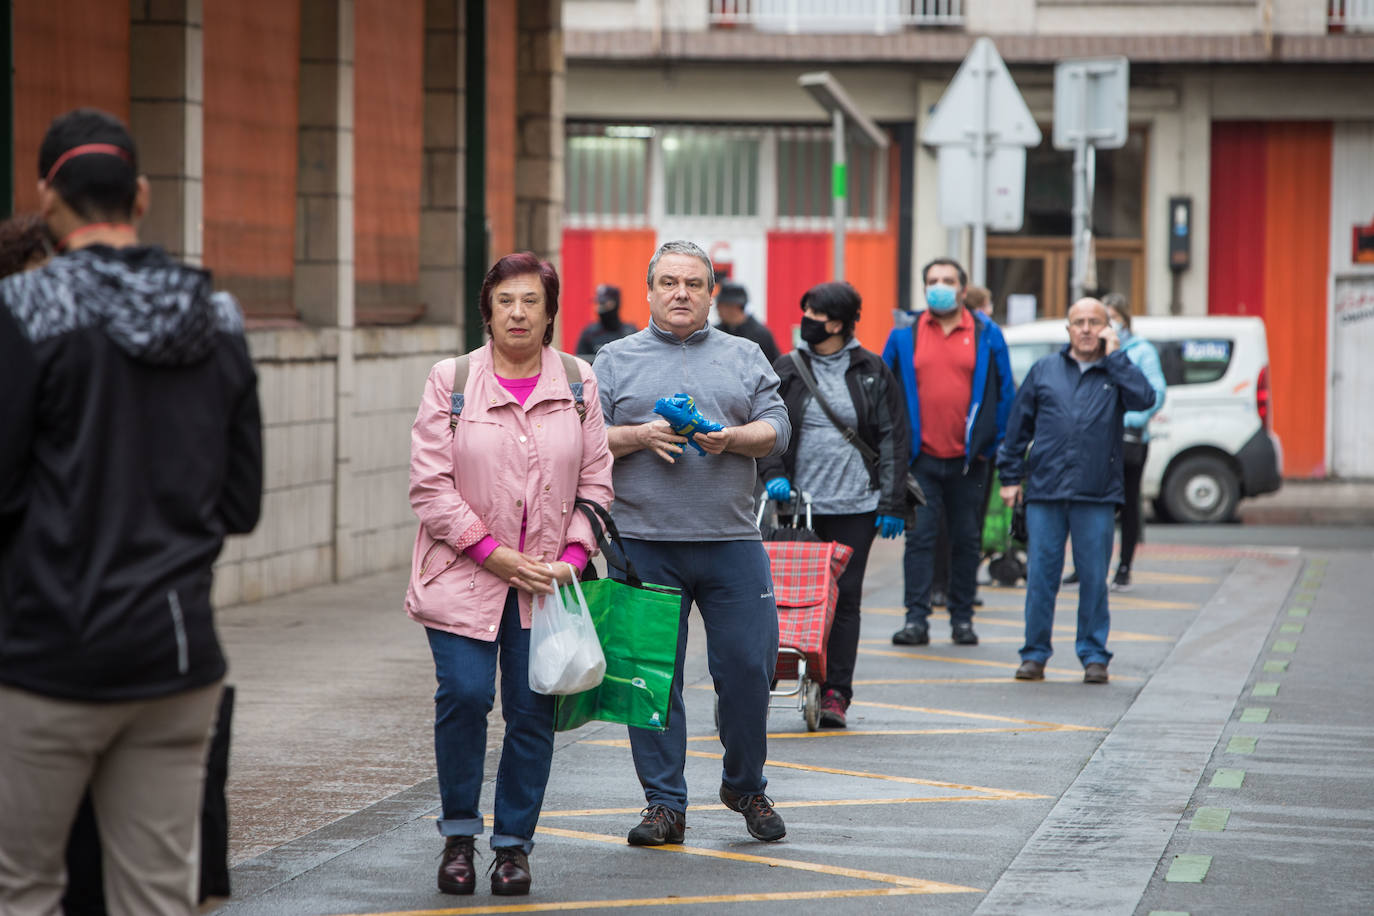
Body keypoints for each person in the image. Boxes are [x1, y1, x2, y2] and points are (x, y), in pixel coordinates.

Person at [0, 108, 263, 916]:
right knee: (156, 896)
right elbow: (241, 504)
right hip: (176, 658)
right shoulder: (216, 318)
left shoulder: (23, 310)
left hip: (47, 657)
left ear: (48, 195)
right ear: (142, 196)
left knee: (28, 891)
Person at [406, 252, 614, 896]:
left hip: (548, 586)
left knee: (531, 714)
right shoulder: (454, 379)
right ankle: (460, 838)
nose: (518, 312)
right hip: (462, 575)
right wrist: (492, 552)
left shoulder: (580, 382)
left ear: (551, 312)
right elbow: (430, 485)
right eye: (505, 301)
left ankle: (514, 847)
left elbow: (597, 481)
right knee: (465, 697)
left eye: (531, 300)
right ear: (487, 311)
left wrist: (571, 560)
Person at [594, 240, 791, 846]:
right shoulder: (613, 359)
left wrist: (731, 438)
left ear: (712, 293)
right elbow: (581, 439)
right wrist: (637, 435)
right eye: (669, 283)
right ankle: (664, 804)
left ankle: (745, 784)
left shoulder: (745, 354)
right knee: (649, 680)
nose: (681, 293)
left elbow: (778, 428)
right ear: (648, 290)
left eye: (694, 284)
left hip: (732, 541)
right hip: (643, 544)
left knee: (750, 671)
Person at [759, 282, 909, 728]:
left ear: (840, 323)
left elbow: (893, 437)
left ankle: (835, 693)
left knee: (845, 601)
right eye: (804, 310)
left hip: (856, 507)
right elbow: (766, 426)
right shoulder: (786, 367)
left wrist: (892, 501)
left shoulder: (871, 370)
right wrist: (774, 476)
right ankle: (773, 674)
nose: (806, 319)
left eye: (816, 313)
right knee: (782, 598)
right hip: (796, 507)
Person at [996, 297, 1157, 685]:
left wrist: (1117, 358)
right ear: (1067, 329)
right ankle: (1034, 655)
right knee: (1041, 578)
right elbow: (1018, 428)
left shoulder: (1116, 372)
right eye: (1078, 322)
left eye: (1094, 322)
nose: (1086, 328)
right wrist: (1009, 477)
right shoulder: (1044, 370)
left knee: (1093, 578)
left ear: (1108, 330)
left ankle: (1093, 655)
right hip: (1046, 492)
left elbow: (1146, 399)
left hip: (1097, 492)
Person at [884, 258, 1015, 648]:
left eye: (947, 280)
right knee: (920, 539)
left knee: (966, 540)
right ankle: (916, 620)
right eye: (932, 280)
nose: (939, 286)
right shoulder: (904, 334)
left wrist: (992, 446)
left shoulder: (987, 333)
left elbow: (1006, 391)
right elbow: (883, 392)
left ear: (963, 288)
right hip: (920, 458)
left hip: (970, 460)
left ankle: (962, 620)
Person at [1060, 294, 1166, 592]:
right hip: (1093, 443)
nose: (1090, 328)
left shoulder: (1139, 350)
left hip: (1128, 442)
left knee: (1127, 503)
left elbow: (1154, 394)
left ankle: (1124, 566)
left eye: (1103, 318)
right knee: (1080, 500)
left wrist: (1124, 419)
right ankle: (1083, 567)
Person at [929, 282, 996, 607]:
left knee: (966, 532)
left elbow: (1001, 391)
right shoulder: (979, 332)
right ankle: (941, 587)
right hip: (933, 453)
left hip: (973, 452)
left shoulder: (987, 335)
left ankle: (959, 595)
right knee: (942, 528)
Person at [713, 280, 781, 364]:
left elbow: (774, 367)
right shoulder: (715, 332)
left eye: (720, 305)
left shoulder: (761, 335)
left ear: (735, 307)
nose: (717, 308)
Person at [575, 283, 636, 359]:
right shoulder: (589, 334)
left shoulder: (631, 333)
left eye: (603, 303)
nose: (599, 308)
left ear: (615, 303)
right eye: (598, 303)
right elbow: (581, 363)